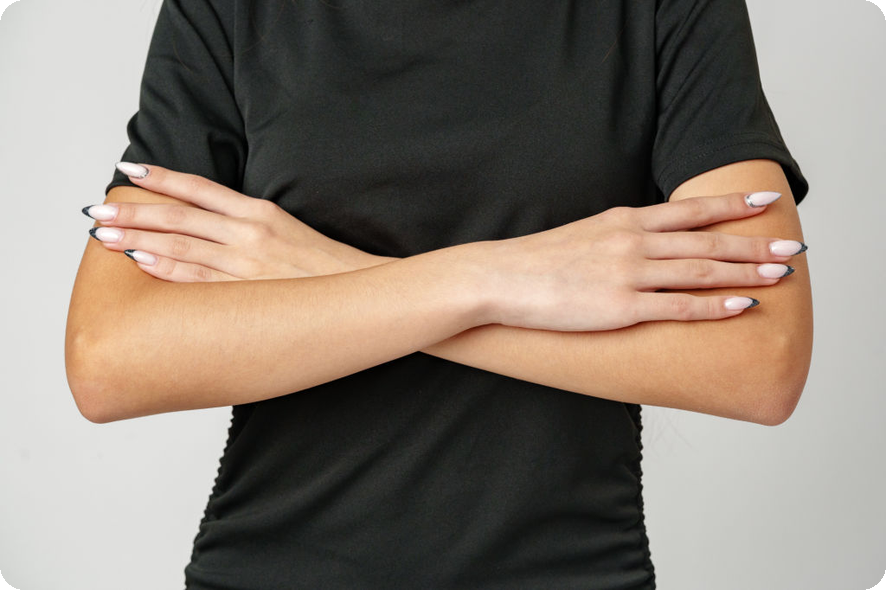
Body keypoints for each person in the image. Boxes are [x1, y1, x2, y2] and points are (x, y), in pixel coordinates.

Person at [65, 0, 813, 588]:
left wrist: (323, 268)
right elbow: (109, 360)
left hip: (571, 571)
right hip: (267, 566)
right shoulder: (233, 8)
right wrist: (493, 281)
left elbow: (758, 362)